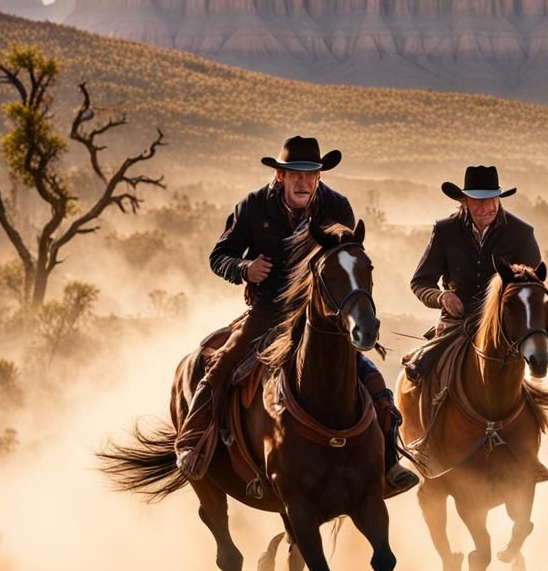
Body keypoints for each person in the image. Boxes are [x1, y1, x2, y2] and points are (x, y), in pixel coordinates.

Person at [174, 135, 419, 494]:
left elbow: (347, 261)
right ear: (280, 176)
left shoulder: (337, 206)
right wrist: (244, 269)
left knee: (370, 376)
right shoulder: (253, 206)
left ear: (319, 177)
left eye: (311, 174)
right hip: (268, 312)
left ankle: (388, 462)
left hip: (322, 318)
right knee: (222, 364)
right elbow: (218, 256)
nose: (304, 182)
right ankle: (192, 442)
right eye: (295, 175)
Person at [404, 165, 541, 382]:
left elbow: (533, 286)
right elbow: (420, 282)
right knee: (418, 373)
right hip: (456, 324)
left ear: (499, 199)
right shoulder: (445, 230)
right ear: (464, 201)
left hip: (504, 327)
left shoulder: (522, 233)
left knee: (537, 364)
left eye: (491, 199)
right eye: (478, 200)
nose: (486, 206)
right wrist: (441, 297)